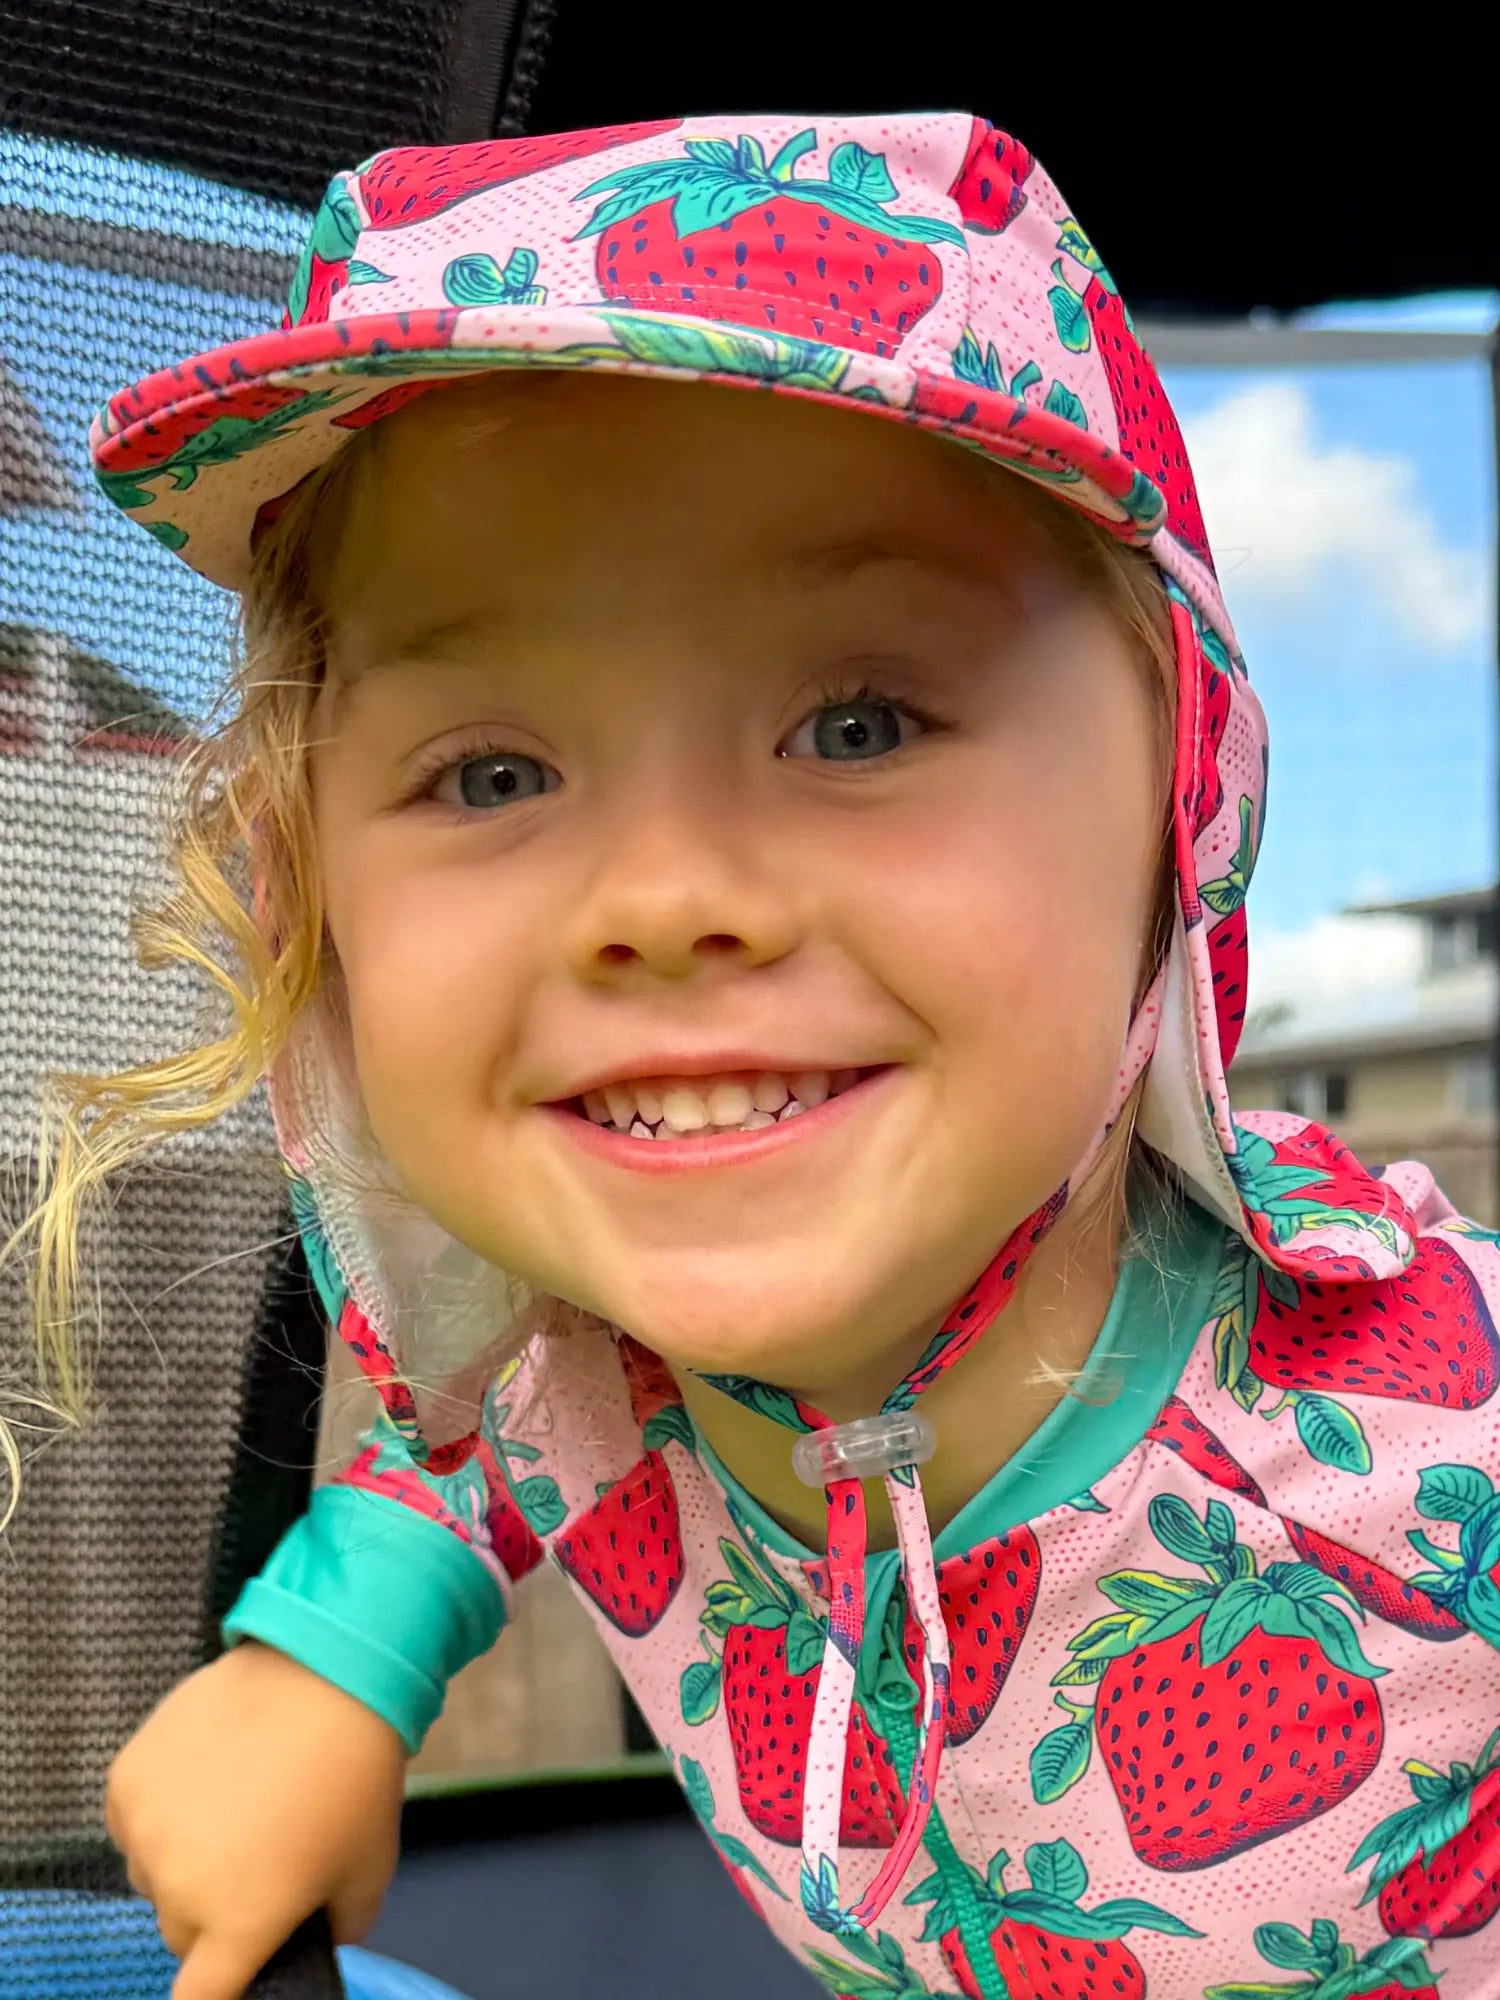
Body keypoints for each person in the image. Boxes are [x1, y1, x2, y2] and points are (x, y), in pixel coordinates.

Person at [9, 111, 1498, 2000]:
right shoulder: (581, 1342)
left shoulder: (1430, 1476)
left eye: (860, 722)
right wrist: (328, 1656)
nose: (663, 894)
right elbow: (489, 1419)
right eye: (490, 774)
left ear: (1181, 801)